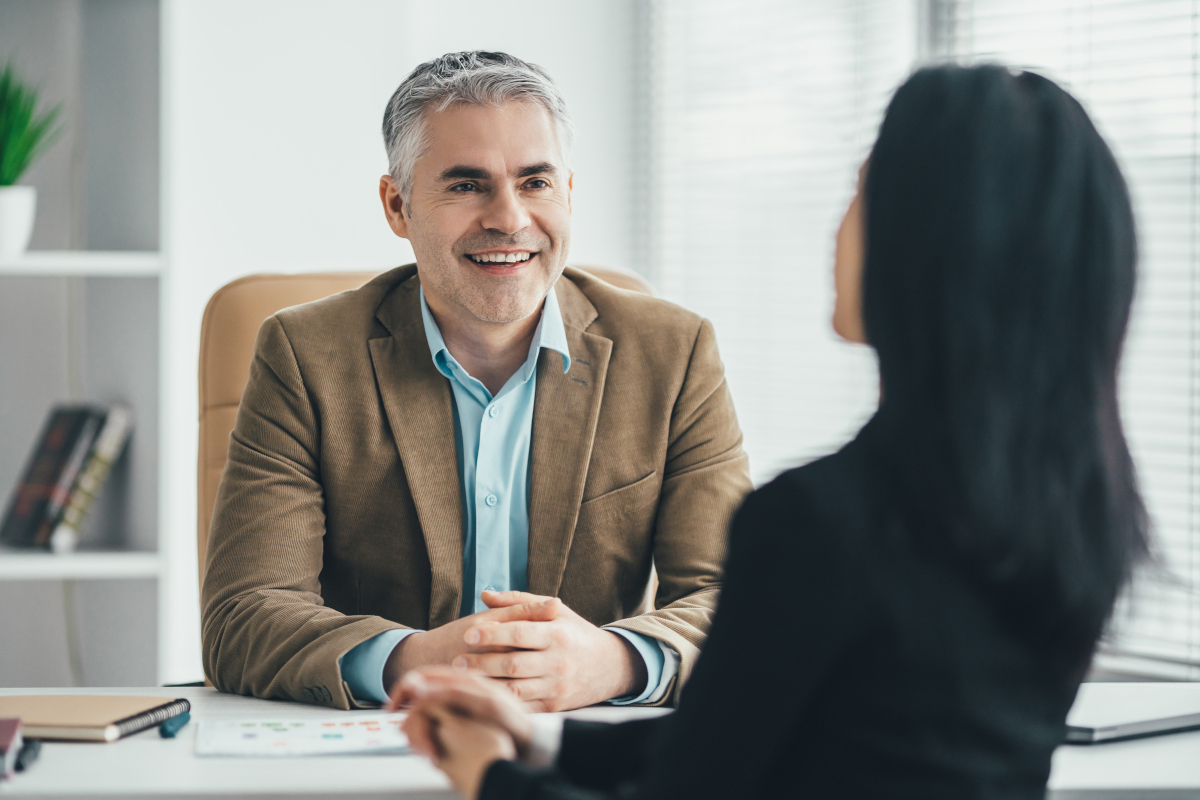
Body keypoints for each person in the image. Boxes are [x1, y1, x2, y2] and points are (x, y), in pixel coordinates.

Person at [396, 63, 1151, 800]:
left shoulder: (819, 526)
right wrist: (541, 741)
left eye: (861, 196)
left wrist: (486, 775)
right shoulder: (1077, 511)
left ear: (924, 250)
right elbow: (772, 734)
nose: (836, 230)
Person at [200, 51, 751, 712]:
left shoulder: (674, 352)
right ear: (397, 205)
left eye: (536, 182)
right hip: (378, 745)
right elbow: (242, 616)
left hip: (582, 750)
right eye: (466, 185)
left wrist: (614, 663)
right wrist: (414, 661)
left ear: (568, 192)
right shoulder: (304, 355)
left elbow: (738, 600)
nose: (509, 218)